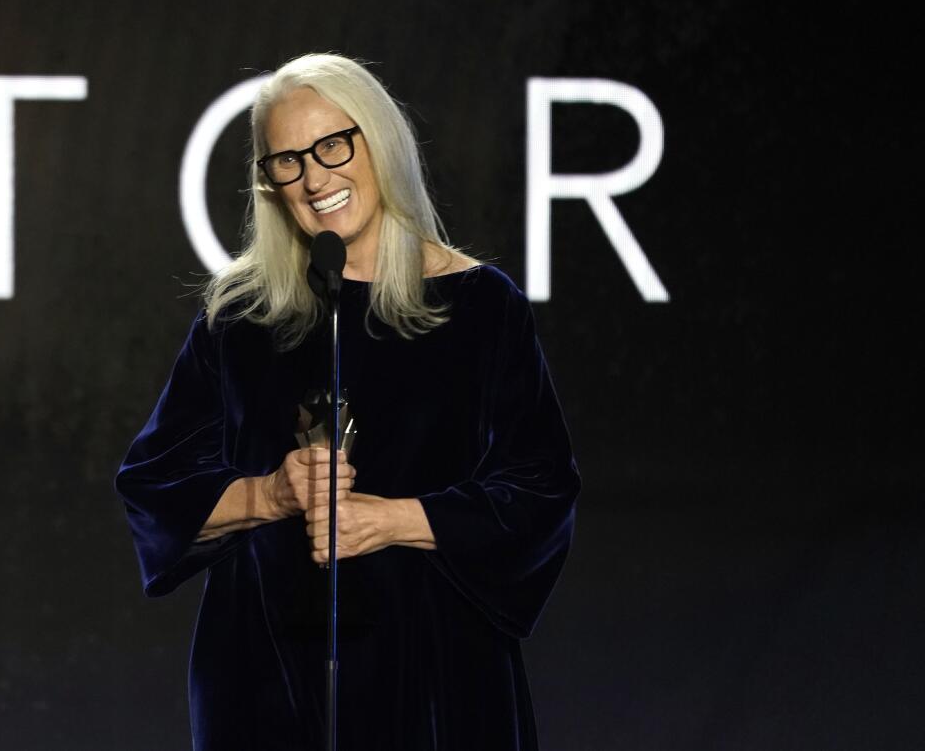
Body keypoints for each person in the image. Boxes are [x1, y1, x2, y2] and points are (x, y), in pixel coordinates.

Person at [115, 53, 580, 751]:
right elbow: (155, 489)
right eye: (287, 161)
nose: (314, 177)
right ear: (268, 183)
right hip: (266, 672)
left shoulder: (481, 307)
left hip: (435, 670)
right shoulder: (241, 319)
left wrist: (396, 520)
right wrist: (270, 495)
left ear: (379, 140)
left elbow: (542, 490)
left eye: (333, 144)